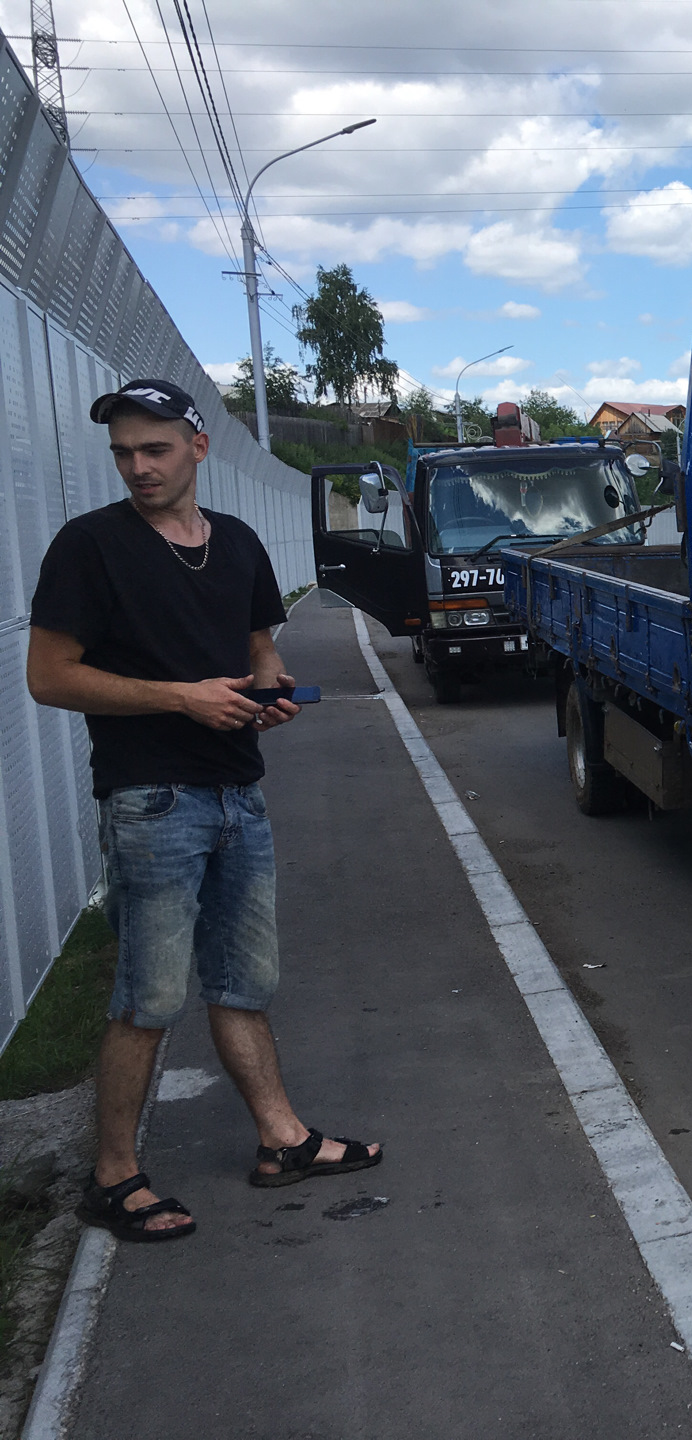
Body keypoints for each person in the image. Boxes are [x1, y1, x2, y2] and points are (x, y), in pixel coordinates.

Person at [26, 379, 381, 1243]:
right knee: (148, 996)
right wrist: (180, 700)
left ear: (197, 448)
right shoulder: (90, 547)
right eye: (123, 452)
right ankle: (113, 1177)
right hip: (153, 800)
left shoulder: (240, 543)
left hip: (238, 792)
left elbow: (261, 645)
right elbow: (50, 676)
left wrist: (270, 692)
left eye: (154, 449)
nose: (137, 467)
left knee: (244, 983)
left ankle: (283, 1140)